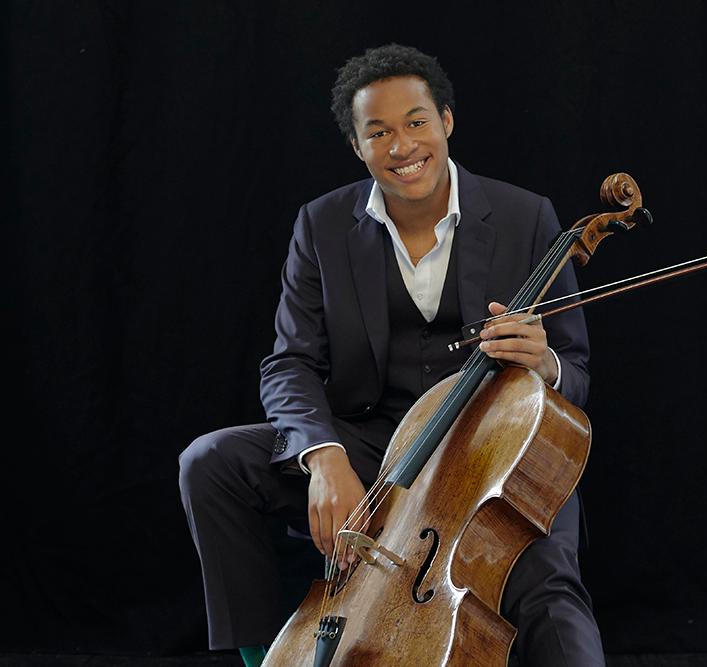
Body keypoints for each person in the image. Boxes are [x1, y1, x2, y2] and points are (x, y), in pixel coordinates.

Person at [179, 43, 604, 667]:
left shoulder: (527, 217)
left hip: (490, 452)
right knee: (211, 463)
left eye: (416, 123)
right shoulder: (321, 225)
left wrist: (544, 363)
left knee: (546, 582)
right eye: (379, 132)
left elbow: (578, 372)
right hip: (372, 444)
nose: (402, 146)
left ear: (447, 122)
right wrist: (322, 456)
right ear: (358, 146)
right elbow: (289, 362)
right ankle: (266, 658)